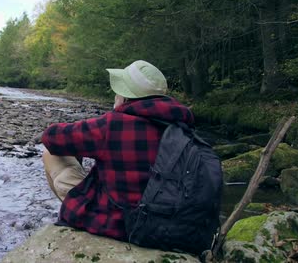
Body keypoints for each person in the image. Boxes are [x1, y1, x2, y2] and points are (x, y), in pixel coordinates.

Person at [41, 60, 194, 240]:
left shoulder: (112, 125)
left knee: (49, 154)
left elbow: (51, 137)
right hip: (171, 227)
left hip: (121, 224)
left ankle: (71, 219)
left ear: (126, 97)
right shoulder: (184, 128)